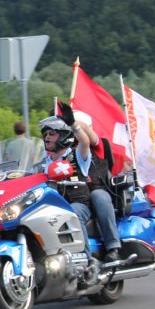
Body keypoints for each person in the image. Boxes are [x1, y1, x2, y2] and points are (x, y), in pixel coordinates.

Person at [38, 102, 98, 263]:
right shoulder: (43, 163)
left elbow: (85, 142)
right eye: (45, 134)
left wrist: (73, 124)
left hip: (79, 204)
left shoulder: (77, 155)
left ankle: (87, 260)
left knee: (72, 215)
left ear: (64, 136)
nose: (47, 137)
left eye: (52, 133)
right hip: (53, 207)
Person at [71, 111, 122, 262]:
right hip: (77, 196)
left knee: (98, 196)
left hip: (98, 189)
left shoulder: (98, 144)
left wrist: (73, 123)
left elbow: (90, 139)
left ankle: (113, 245)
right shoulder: (65, 149)